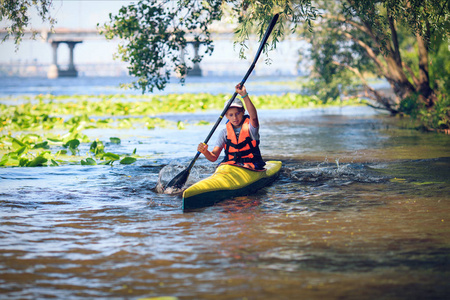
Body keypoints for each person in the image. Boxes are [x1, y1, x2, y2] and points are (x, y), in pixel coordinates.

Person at [197, 84, 266, 170]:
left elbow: (254, 117)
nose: (234, 118)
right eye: (231, 115)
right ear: (226, 116)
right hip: (231, 166)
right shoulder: (224, 133)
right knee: (220, 166)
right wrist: (205, 152)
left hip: (251, 166)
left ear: (243, 112)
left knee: (246, 166)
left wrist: (244, 95)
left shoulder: (251, 128)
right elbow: (213, 157)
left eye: (237, 114)